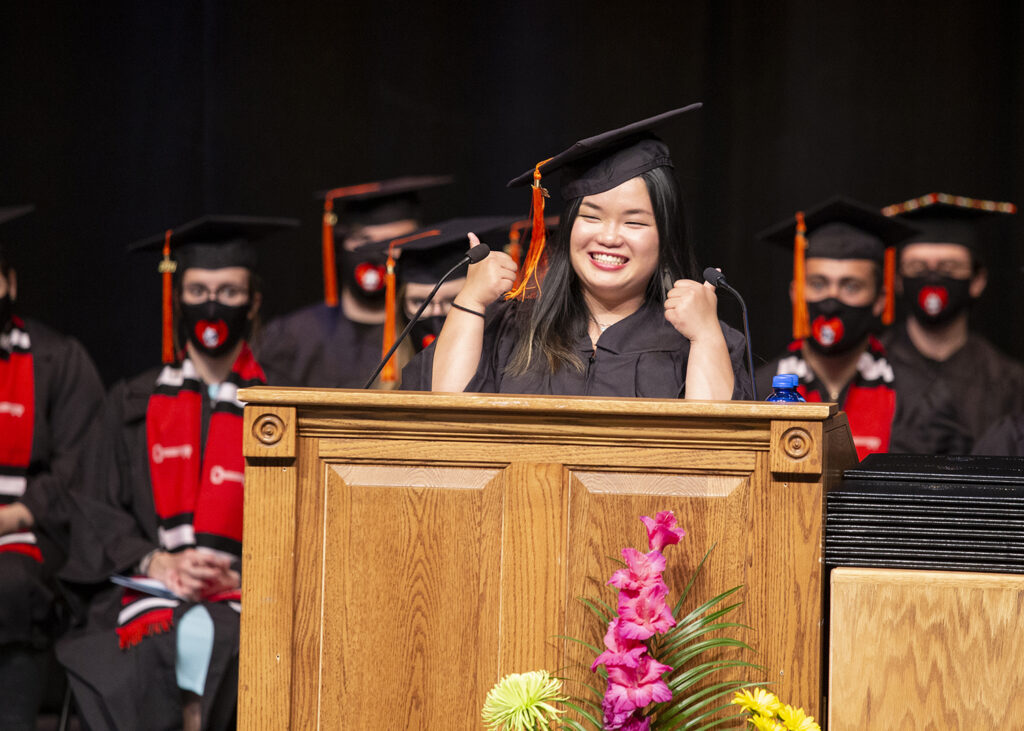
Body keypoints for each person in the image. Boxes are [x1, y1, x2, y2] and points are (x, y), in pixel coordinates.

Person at [57, 215, 297, 731]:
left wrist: (251, 571)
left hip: (252, 591)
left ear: (253, 303)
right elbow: (95, 506)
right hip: (149, 589)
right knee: (148, 655)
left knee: (226, 643)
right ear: (178, 300)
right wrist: (155, 562)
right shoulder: (131, 402)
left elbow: (308, 514)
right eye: (198, 290)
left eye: (229, 291)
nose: (212, 304)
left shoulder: (284, 405)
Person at [403, 104, 751, 399]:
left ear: (665, 235)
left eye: (634, 223)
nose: (610, 237)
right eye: (591, 217)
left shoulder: (699, 339)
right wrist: (471, 302)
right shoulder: (510, 330)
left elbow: (714, 458)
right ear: (568, 228)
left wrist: (705, 337)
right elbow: (445, 427)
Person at [0, 204, 104, 730]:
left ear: (9, 282)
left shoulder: (56, 358)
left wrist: (15, 516)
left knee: (11, 580)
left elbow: (80, 465)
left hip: (28, 531)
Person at [755, 197, 918, 460]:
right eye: (818, 284)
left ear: (880, 300)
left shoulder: (916, 396)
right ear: (796, 293)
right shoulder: (757, 391)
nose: (831, 301)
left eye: (851, 286)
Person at [256, 175, 451, 388]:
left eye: (395, 242)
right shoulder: (293, 336)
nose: (378, 253)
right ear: (341, 244)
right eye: (365, 240)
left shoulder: (429, 336)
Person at [880, 193, 1024, 454]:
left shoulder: (1010, 382)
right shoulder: (869, 371)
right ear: (898, 280)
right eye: (918, 267)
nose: (933, 276)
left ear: (977, 280)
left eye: (949, 267)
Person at [355, 216, 518, 387]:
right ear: (400, 304)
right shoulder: (376, 376)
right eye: (420, 302)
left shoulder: (506, 374)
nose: (435, 314)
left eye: (454, 300)